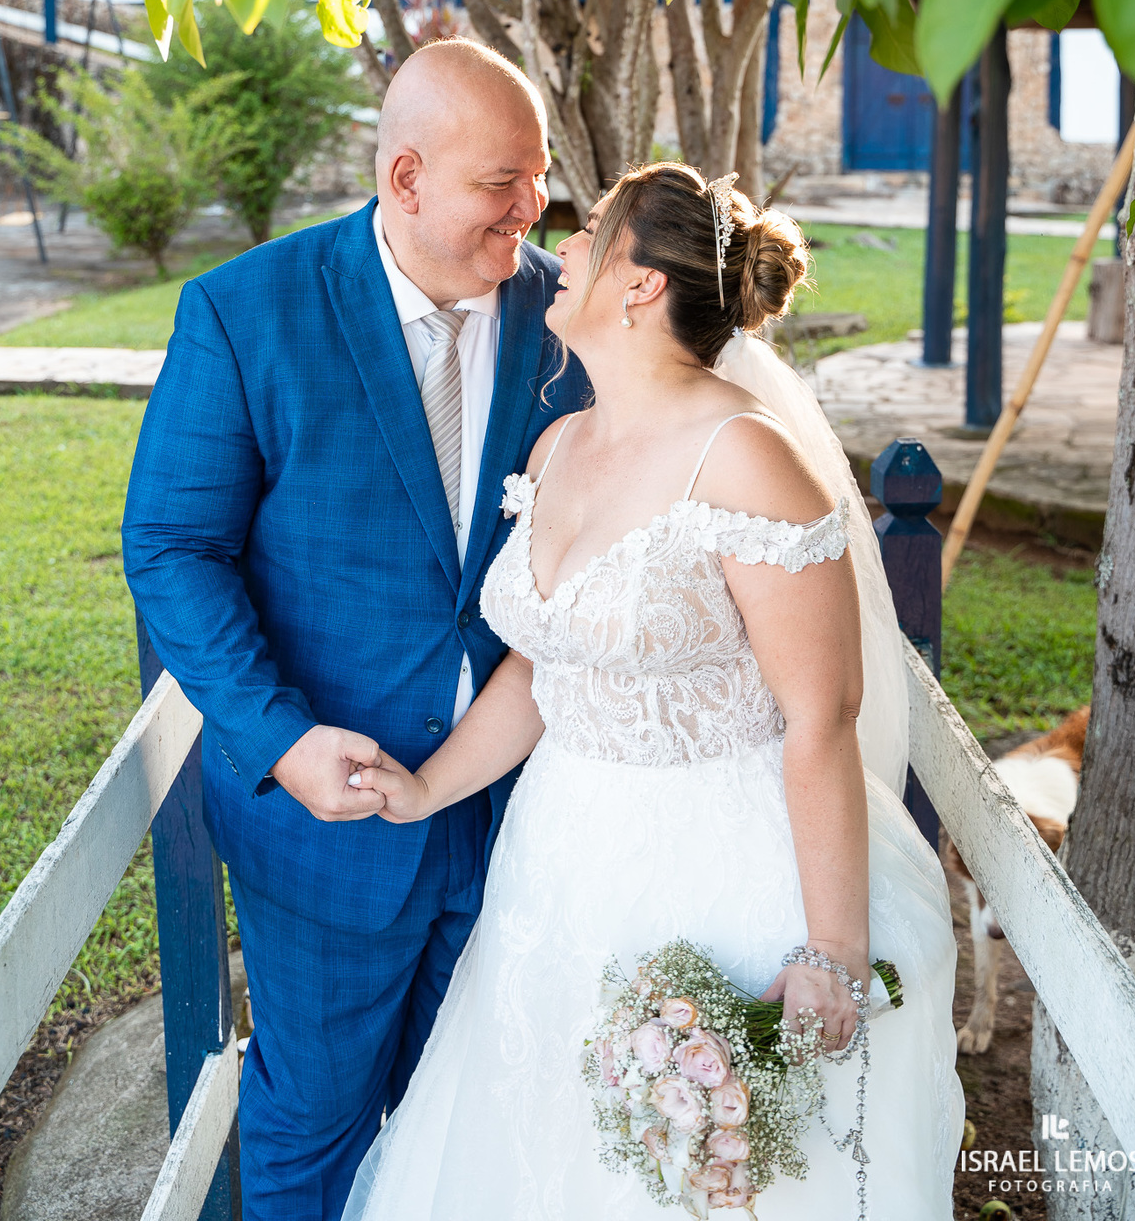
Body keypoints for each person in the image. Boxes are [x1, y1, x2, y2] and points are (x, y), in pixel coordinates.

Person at [341, 161, 963, 1219]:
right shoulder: (558, 442)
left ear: (638, 284)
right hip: (558, 857)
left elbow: (822, 715)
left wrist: (833, 950)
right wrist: (425, 789)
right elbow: (549, 666)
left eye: (591, 238)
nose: (562, 248)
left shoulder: (747, 459)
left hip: (723, 864)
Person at [121, 39, 591, 1220]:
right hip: (326, 829)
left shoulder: (570, 318)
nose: (531, 210)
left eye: (539, 178)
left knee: (475, 1125)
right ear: (406, 178)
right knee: (314, 1126)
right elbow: (173, 551)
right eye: (502, 184)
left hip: (520, 814)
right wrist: (281, 740)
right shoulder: (245, 313)